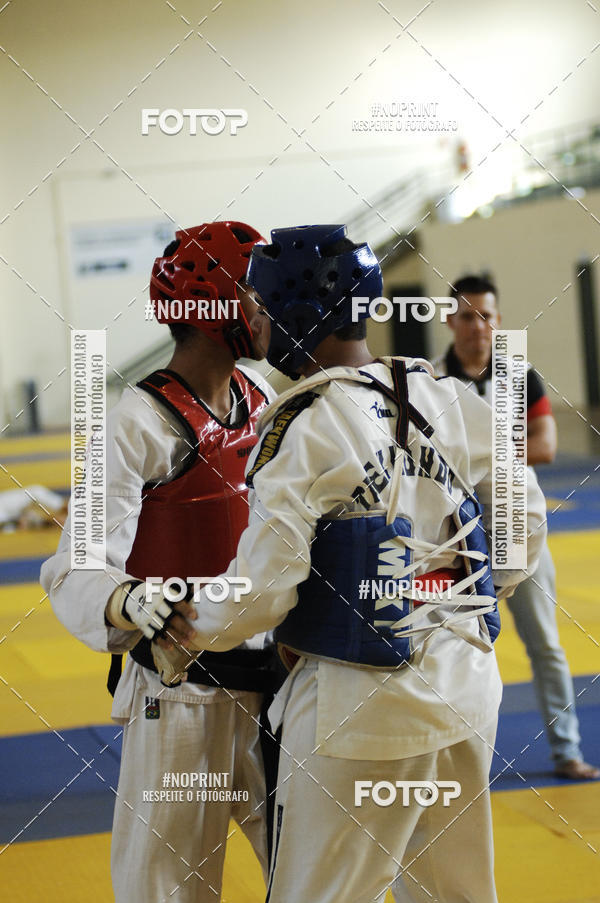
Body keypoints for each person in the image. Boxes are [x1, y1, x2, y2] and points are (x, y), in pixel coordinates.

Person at [164, 225, 548, 903]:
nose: (249, 318)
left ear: (295, 313)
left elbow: (262, 592)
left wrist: (187, 624)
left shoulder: (304, 426)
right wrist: (467, 591)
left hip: (360, 708)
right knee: (455, 890)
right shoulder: (442, 393)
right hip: (467, 681)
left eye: (256, 303)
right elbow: (526, 519)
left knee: (324, 893)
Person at [41, 221, 281, 903]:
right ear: (215, 309)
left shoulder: (264, 403)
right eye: (252, 295)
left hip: (277, 687)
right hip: (179, 696)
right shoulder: (140, 419)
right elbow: (76, 561)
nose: (266, 311)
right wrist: (128, 601)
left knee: (313, 873)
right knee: (166, 889)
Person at [431, 274, 598, 781]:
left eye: (486, 315)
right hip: (454, 537)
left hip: (518, 532)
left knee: (544, 643)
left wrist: (480, 455)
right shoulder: (430, 380)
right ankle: (449, 761)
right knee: (448, 650)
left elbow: (545, 447)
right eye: (466, 315)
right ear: (449, 320)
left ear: (498, 321)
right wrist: (499, 450)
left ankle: (566, 750)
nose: (477, 326)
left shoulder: (518, 375)